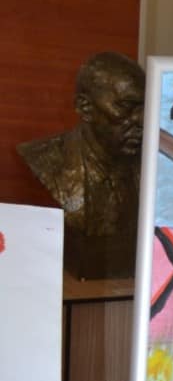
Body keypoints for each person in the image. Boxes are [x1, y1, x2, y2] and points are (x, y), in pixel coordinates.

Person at [17, 51, 145, 279]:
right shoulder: (42, 161)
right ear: (85, 107)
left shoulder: (154, 168)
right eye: (126, 106)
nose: (140, 120)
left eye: (144, 108)